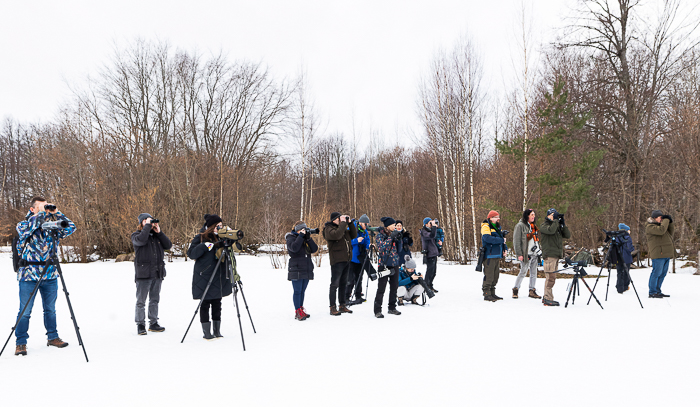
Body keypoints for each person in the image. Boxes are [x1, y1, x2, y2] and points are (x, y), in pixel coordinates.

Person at [14, 197, 76, 356]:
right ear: (32, 209)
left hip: (50, 275)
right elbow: (29, 228)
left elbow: (71, 227)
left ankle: (53, 337)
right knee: (25, 310)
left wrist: (57, 212)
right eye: (42, 207)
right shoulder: (23, 225)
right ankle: (20, 342)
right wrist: (41, 213)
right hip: (29, 275)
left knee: (50, 309)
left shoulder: (52, 226)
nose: (46, 210)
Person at [187, 214, 232, 340]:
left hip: (218, 274)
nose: (220, 228)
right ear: (212, 226)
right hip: (204, 275)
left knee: (217, 302)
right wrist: (203, 246)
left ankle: (217, 331)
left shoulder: (223, 238)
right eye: (218, 226)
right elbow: (191, 254)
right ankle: (206, 332)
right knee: (205, 303)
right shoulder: (200, 238)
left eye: (221, 225)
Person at [131, 213, 172, 335]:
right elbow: (141, 240)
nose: (148, 222)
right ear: (141, 223)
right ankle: (140, 324)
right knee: (141, 301)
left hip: (157, 273)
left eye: (149, 220)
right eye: (145, 221)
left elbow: (168, 245)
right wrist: (147, 226)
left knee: (154, 300)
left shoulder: (156, 236)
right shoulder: (136, 235)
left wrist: (159, 232)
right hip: (143, 274)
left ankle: (153, 322)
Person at [322, 212, 358, 316]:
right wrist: (343, 223)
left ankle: (342, 305)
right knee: (335, 284)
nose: (340, 221)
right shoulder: (328, 229)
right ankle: (332, 307)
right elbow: (337, 235)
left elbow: (353, 235)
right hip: (337, 261)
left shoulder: (342, 229)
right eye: (339, 219)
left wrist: (350, 223)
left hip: (346, 259)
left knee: (344, 283)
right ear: (334, 219)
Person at [286, 220, 318, 321]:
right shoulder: (290, 237)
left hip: (306, 267)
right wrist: (300, 237)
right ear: (298, 230)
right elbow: (294, 248)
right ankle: (297, 311)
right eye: (302, 229)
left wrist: (308, 239)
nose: (304, 231)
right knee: (297, 290)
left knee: (303, 290)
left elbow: (314, 249)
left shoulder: (304, 238)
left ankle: (301, 309)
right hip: (296, 268)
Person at [539, 208, 571, 306]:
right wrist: (556, 221)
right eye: (553, 215)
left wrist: (563, 224)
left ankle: (547, 297)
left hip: (556, 255)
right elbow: (551, 231)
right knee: (550, 277)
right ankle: (547, 298)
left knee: (552, 277)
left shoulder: (556, 226)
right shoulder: (544, 226)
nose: (555, 216)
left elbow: (567, 235)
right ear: (548, 216)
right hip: (549, 255)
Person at [374, 217, 403, 318]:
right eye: (393, 225)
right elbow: (381, 248)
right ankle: (377, 310)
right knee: (381, 288)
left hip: (394, 263)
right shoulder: (380, 235)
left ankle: (392, 307)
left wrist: (399, 240)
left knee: (394, 287)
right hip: (384, 264)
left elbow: (399, 250)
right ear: (388, 226)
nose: (395, 226)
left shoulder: (394, 234)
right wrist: (391, 238)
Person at [512, 209, 542, 299]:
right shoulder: (520, 226)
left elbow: (535, 240)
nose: (533, 216)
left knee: (534, 273)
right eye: (531, 214)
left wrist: (539, 251)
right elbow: (516, 241)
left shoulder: (533, 226)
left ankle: (532, 290)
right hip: (526, 254)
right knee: (523, 272)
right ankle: (515, 289)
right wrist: (519, 254)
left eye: (534, 214)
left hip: (535, 254)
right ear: (527, 216)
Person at [646, 210, 674, 298]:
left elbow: (671, 232)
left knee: (662, 274)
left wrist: (670, 221)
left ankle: (657, 291)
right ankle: (652, 292)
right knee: (656, 273)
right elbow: (661, 231)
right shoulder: (650, 227)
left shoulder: (661, 226)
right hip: (658, 254)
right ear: (654, 218)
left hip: (665, 253)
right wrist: (666, 220)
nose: (662, 219)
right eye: (660, 218)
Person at [481, 211, 507, 302]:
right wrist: (501, 240)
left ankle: (492, 292)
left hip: (496, 255)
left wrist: (505, 249)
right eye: (496, 217)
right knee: (489, 275)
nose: (498, 218)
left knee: (495, 275)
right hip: (489, 255)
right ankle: (487, 293)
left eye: (498, 217)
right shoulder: (486, 226)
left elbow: (502, 241)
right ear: (490, 218)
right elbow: (487, 238)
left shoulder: (497, 227)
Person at [347, 214, 371, 305]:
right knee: (350, 279)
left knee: (359, 277)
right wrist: (356, 240)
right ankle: (346, 297)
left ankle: (358, 295)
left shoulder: (365, 232)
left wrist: (368, 245)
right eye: (365, 224)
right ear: (360, 223)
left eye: (367, 224)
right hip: (352, 258)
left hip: (360, 257)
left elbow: (367, 240)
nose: (366, 226)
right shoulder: (352, 229)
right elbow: (346, 242)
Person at [420, 217, 439, 292]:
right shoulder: (424, 231)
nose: (431, 224)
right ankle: (426, 286)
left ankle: (430, 285)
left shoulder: (430, 230)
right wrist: (434, 226)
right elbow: (432, 236)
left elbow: (435, 235)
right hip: (429, 254)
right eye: (430, 223)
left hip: (433, 253)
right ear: (426, 224)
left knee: (434, 272)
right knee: (429, 271)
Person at [615, 223, 635, 294]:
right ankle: (625, 286)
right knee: (626, 272)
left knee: (619, 272)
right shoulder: (627, 237)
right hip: (626, 257)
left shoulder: (616, 237)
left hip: (618, 257)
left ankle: (619, 286)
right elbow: (629, 248)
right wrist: (633, 248)